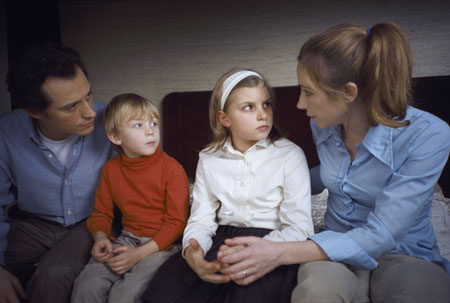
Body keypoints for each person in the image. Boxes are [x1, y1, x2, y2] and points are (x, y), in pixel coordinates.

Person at [217, 23, 450, 302]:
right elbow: (327, 176)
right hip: (330, 248)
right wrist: (261, 184)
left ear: (348, 93)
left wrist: (280, 252)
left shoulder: (429, 134)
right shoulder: (324, 124)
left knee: (419, 294)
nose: (300, 104)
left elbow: (383, 233)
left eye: (308, 92)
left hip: (405, 253)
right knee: (317, 292)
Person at [142, 68, 314, 303]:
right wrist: (194, 251)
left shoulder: (290, 155)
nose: (263, 114)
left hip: (272, 244)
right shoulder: (209, 158)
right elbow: (201, 218)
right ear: (225, 119)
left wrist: (258, 250)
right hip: (222, 242)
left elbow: (300, 227)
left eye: (266, 104)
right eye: (248, 107)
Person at [0, 42, 112, 303]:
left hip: (91, 222)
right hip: (32, 225)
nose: (89, 112)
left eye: (88, 96)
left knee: (54, 276)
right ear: (34, 111)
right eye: (71, 107)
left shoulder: (110, 120)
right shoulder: (6, 133)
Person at [71, 93, 189, 303]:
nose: (150, 130)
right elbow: (101, 213)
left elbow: (176, 223)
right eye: (138, 125)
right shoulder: (111, 170)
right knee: (87, 285)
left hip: (162, 246)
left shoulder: (172, 169)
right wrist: (100, 238)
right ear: (116, 137)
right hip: (126, 239)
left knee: (126, 294)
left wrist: (138, 255)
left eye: (154, 123)